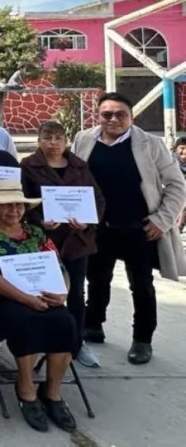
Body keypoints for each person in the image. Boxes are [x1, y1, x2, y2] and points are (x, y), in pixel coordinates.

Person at [71, 92, 186, 365]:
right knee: (97, 280)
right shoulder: (83, 139)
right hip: (98, 228)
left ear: (131, 117)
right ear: (97, 116)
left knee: (142, 286)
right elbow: (73, 180)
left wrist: (162, 220)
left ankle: (142, 340)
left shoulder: (151, 144)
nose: (113, 119)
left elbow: (177, 185)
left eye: (120, 114)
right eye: (106, 114)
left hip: (139, 229)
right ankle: (94, 324)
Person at [0, 181, 78, 433]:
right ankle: (25, 388)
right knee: (27, 321)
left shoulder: (35, 233)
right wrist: (25, 299)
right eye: (6, 205)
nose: (13, 210)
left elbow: (59, 268)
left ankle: (52, 392)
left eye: (18, 205)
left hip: (42, 294)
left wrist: (62, 293)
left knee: (64, 321)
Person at [21, 121, 106, 369]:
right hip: (44, 241)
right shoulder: (28, 166)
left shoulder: (79, 166)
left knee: (76, 294)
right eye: (47, 138)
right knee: (42, 292)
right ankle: (43, 342)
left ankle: (75, 344)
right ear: (39, 140)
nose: (53, 143)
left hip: (77, 240)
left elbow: (97, 200)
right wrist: (39, 221)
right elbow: (22, 202)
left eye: (58, 138)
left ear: (65, 140)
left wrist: (88, 222)